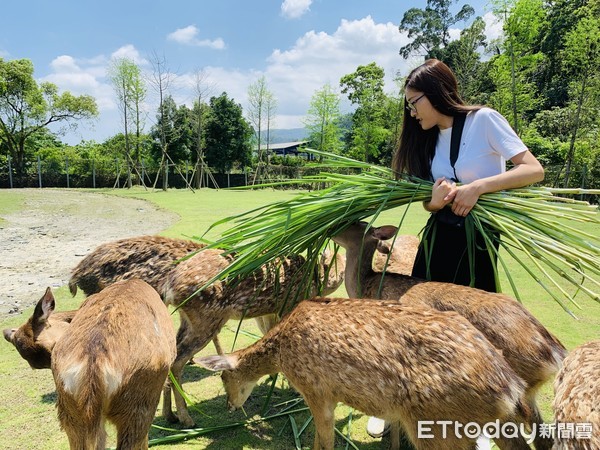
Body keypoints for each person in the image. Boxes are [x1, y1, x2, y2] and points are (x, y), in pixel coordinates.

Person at [366, 59, 544, 448]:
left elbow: (532, 170)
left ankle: (475, 412)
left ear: (436, 95)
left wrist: (478, 188)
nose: (411, 114)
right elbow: (434, 202)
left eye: (414, 103)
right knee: (415, 325)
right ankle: (396, 411)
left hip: (476, 241)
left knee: (471, 328)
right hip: (438, 240)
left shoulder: (484, 120)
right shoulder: (431, 137)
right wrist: (434, 202)